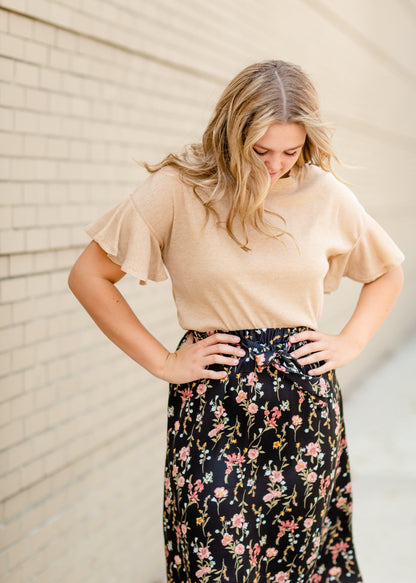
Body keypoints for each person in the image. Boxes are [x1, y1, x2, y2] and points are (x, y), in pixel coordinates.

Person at [68, 60, 404, 582]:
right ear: (232, 133)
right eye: (260, 150)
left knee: (295, 567)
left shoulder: (326, 194)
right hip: (211, 410)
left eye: (290, 152)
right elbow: (88, 275)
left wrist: (352, 341)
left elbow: (386, 272)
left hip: (303, 412)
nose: (275, 166)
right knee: (211, 565)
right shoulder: (181, 188)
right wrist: (163, 361)